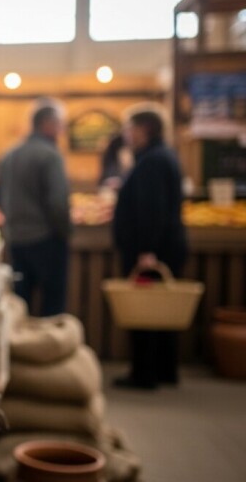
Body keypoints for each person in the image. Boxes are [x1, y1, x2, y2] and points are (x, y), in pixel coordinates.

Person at [112, 109, 188, 390]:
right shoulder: (161, 156)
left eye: (129, 128)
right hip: (165, 246)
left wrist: (146, 250)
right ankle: (165, 369)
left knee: (145, 311)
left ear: (145, 128)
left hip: (152, 251)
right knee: (163, 310)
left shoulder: (152, 162)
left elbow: (151, 211)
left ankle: (144, 374)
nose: (126, 134)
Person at [0, 103, 71, 317]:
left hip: (16, 239)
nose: (62, 130)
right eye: (60, 124)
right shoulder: (50, 155)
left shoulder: (10, 155)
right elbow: (58, 203)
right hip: (47, 240)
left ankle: (18, 350)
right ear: (47, 123)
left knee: (19, 304)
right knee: (52, 306)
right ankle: (51, 349)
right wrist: (64, 234)